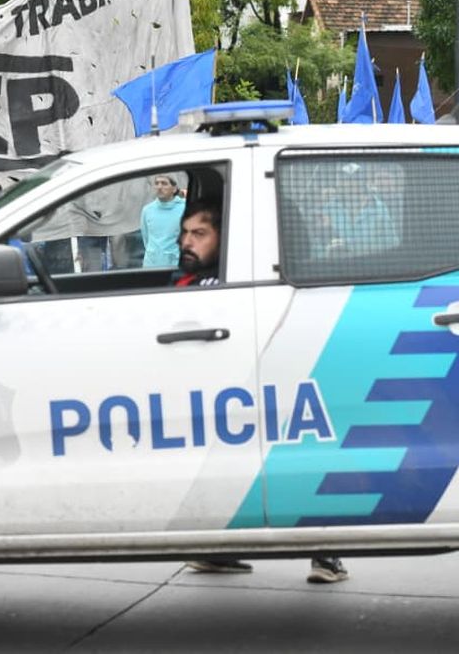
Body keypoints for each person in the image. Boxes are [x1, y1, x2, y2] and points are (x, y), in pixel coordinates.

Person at [175, 202, 348, 585]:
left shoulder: (217, 281)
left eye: (199, 234)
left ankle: (325, 552)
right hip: (232, 394)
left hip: (264, 390)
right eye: (185, 233)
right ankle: (224, 550)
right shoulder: (198, 277)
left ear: (227, 237)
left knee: (290, 466)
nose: (187, 242)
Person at [141, 174, 186, 268]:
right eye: (157, 183)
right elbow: (146, 239)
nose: (159, 187)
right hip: (151, 265)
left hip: (175, 265)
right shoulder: (147, 210)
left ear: (174, 189)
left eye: (164, 183)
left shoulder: (184, 208)